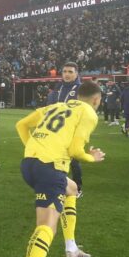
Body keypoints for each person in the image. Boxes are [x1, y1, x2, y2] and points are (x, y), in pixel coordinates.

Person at [9, 81, 105, 257]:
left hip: (29, 164)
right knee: (47, 226)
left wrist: (33, 148)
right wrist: (91, 158)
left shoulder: (56, 105)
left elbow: (22, 124)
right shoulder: (88, 112)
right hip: (50, 167)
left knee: (72, 189)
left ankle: (71, 249)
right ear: (96, 99)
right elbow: (75, 149)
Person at [47, 62, 84, 196]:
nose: (67, 74)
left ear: (76, 73)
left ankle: (78, 188)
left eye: (70, 72)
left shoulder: (80, 89)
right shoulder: (58, 87)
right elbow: (50, 106)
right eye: (64, 72)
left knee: (74, 160)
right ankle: (60, 185)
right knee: (55, 159)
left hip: (73, 131)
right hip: (56, 130)